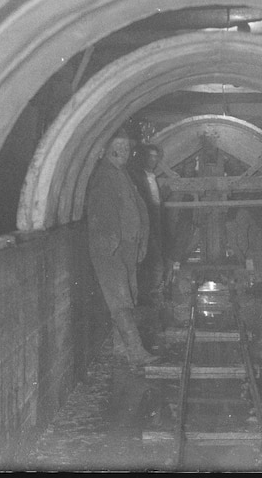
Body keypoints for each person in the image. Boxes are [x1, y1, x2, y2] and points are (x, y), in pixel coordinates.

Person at [87, 130, 160, 366]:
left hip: (126, 247)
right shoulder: (104, 176)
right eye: (120, 147)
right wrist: (112, 249)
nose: (125, 152)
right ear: (109, 149)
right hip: (111, 249)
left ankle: (121, 348)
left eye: (128, 148)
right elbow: (102, 216)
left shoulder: (122, 174)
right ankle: (136, 352)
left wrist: (140, 242)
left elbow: (137, 211)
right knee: (120, 299)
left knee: (128, 295)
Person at [129, 143, 166, 306]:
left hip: (155, 219)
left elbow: (156, 200)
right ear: (144, 158)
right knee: (152, 260)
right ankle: (148, 297)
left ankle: (151, 295)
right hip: (146, 221)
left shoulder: (152, 176)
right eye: (150, 156)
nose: (153, 160)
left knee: (154, 257)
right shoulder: (138, 176)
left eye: (156, 157)